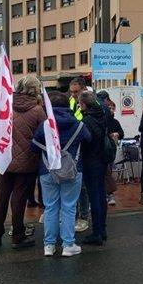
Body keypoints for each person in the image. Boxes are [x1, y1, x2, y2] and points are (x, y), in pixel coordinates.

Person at [30, 91, 91, 257]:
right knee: (69, 208)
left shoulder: (44, 126)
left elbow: (34, 147)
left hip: (47, 170)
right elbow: (89, 140)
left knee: (50, 208)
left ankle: (49, 246)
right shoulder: (78, 125)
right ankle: (68, 245)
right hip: (72, 170)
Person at [0, 76, 46, 249]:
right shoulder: (38, 110)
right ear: (35, 89)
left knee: (1, 198)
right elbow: (44, 135)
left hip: (4, 159)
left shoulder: (5, 106)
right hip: (26, 161)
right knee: (19, 198)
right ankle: (18, 236)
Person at [78, 91, 110, 245]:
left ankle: (96, 233)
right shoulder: (103, 115)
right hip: (102, 159)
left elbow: (84, 142)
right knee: (101, 195)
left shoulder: (86, 121)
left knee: (94, 197)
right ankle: (102, 230)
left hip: (91, 161)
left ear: (84, 104)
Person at [67, 77, 89, 232]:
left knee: (83, 186)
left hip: (84, 146)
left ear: (83, 89)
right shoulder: (71, 101)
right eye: (72, 92)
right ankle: (75, 215)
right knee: (75, 184)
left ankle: (84, 216)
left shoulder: (89, 102)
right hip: (73, 147)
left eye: (76, 92)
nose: (73, 95)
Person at [97, 91, 124, 206]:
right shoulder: (101, 118)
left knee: (107, 172)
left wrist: (116, 134)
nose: (110, 110)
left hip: (110, 149)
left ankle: (110, 194)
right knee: (104, 172)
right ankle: (106, 194)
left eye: (112, 108)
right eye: (109, 108)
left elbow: (121, 133)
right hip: (103, 147)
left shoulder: (115, 122)